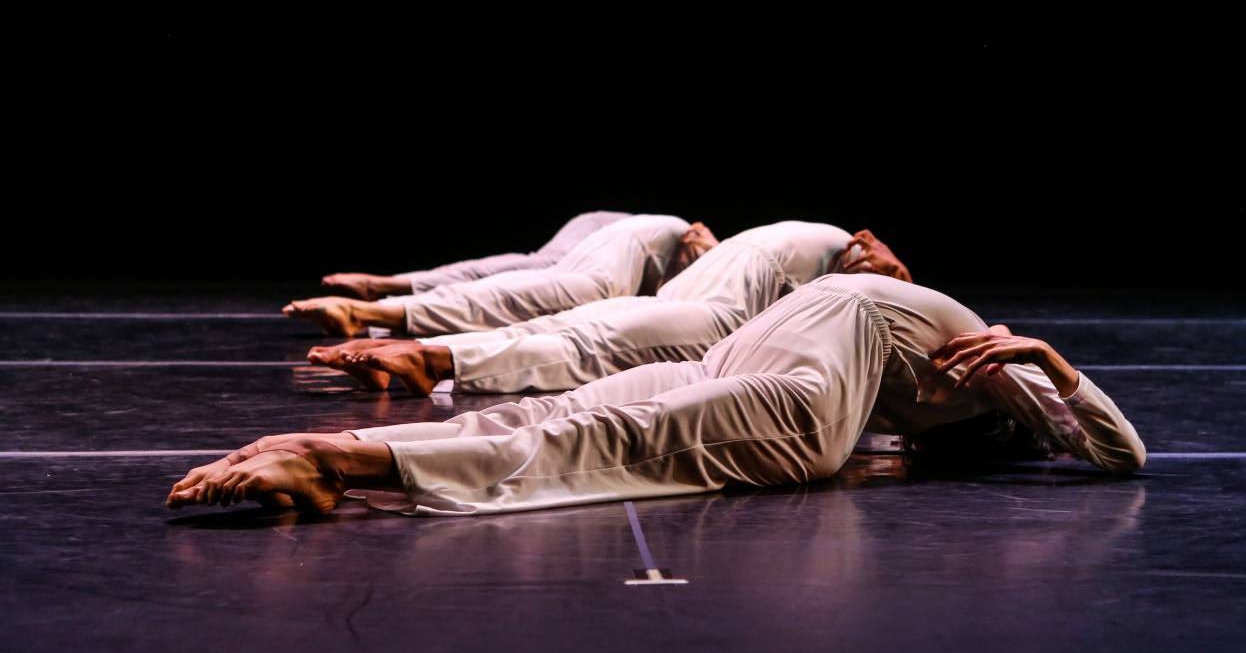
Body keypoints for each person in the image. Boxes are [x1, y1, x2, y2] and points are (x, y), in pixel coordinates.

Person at [167, 273, 1146, 516]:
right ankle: (348, 448)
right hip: (750, 368)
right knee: (568, 410)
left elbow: (1120, 455)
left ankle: (338, 461)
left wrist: (1054, 366)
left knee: (604, 438)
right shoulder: (922, 404)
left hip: (793, 400)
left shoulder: (999, 381)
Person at [306, 222, 911, 395]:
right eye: (895, 270)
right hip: (704, 299)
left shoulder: (842, 287)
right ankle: (411, 340)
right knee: (575, 320)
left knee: (582, 333)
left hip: (718, 316)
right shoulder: (835, 247)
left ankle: (426, 355)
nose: (889, 273)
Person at [282, 214, 699, 336]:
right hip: (656, 237)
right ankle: (376, 306)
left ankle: (381, 296)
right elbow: (699, 237)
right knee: (583, 288)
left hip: (624, 231)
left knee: (535, 267)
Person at [318, 210, 635, 300]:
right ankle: (394, 287)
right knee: (539, 264)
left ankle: (396, 293)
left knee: (543, 269)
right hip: (629, 227)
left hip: (643, 244)